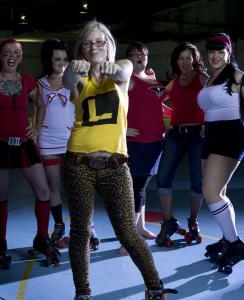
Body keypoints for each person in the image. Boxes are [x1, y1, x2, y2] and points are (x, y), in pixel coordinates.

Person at [62, 20, 176, 300]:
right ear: (81, 47)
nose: (94, 47)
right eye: (88, 43)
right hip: (79, 163)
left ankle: (154, 287)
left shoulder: (124, 69)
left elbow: (118, 70)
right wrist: (72, 69)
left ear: (110, 44)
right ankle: (83, 293)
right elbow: (67, 82)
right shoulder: (77, 75)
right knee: (80, 233)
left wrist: (95, 65)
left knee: (128, 231)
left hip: (115, 165)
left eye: (100, 41)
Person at [0, 38, 59, 269]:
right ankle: (1, 243)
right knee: (1, 195)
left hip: (24, 145)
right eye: (6, 52)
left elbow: (41, 105)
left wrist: (36, 128)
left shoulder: (27, 81)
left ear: (21, 57)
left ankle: (41, 237)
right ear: (1, 56)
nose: (11, 56)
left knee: (44, 191)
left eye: (16, 52)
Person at [197, 33, 244, 273]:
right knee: (218, 192)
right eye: (211, 51)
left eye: (220, 51)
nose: (215, 56)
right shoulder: (210, 79)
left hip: (230, 135)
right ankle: (228, 238)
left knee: (211, 191)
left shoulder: (236, 77)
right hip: (211, 136)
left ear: (228, 53)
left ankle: (235, 244)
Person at [155, 42, 209, 247]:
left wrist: (208, 123)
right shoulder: (173, 82)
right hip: (176, 133)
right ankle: (168, 222)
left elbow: (213, 101)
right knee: (163, 176)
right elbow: (162, 103)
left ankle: (193, 222)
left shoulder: (203, 78)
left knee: (198, 179)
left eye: (189, 58)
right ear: (175, 61)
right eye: (181, 58)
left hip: (198, 134)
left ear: (195, 59)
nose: (185, 62)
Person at [118, 42, 167, 256]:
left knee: (142, 185)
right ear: (128, 59)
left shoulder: (154, 80)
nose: (139, 57)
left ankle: (139, 227)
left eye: (143, 54)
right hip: (137, 142)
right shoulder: (126, 80)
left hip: (156, 141)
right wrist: (123, 128)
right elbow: (112, 104)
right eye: (134, 54)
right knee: (136, 186)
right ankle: (129, 239)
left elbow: (164, 106)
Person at [37, 38, 75, 246]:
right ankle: (59, 224)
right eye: (57, 59)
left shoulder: (75, 81)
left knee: (77, 187)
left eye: (65, 59)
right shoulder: (39, 83)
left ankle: (88, 228)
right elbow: (37, 112)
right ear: (48, 60)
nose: (62, 63)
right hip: (48, 142)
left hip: (72, 141)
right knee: (54, 187)